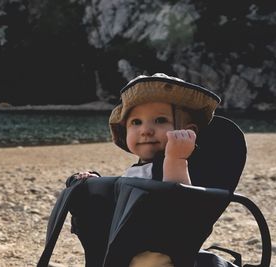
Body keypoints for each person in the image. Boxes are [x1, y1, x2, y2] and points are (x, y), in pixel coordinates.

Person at [70, 72, 221, 267]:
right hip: (124, 248)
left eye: (159, 120)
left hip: (159, 256)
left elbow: (181, 202)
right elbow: (120, 201)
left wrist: (177, 158)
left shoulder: (174, 165)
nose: (145, 130)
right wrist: (95, 183)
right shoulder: (138, 170)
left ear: (187, 131)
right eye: (136, 122)